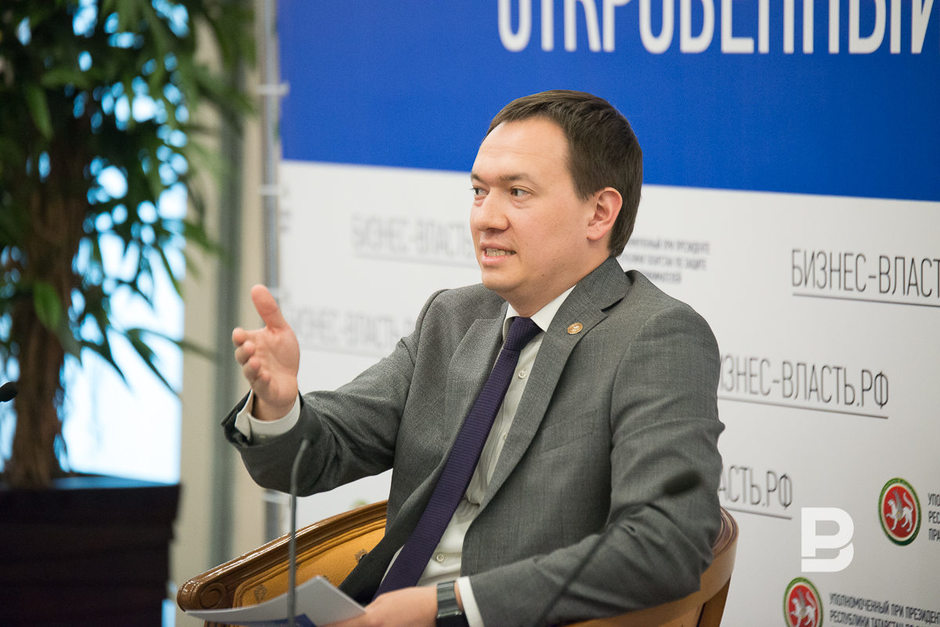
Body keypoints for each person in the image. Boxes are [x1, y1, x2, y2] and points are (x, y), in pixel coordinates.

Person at [225, 90, 723, 627]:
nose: (486, 218)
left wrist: (451, 605)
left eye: (517, 192)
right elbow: (321, 454)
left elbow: (665, 542)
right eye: (479, 192)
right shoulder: (453, 317)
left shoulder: (655, 335)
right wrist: (279, 406)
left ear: (599, 213)